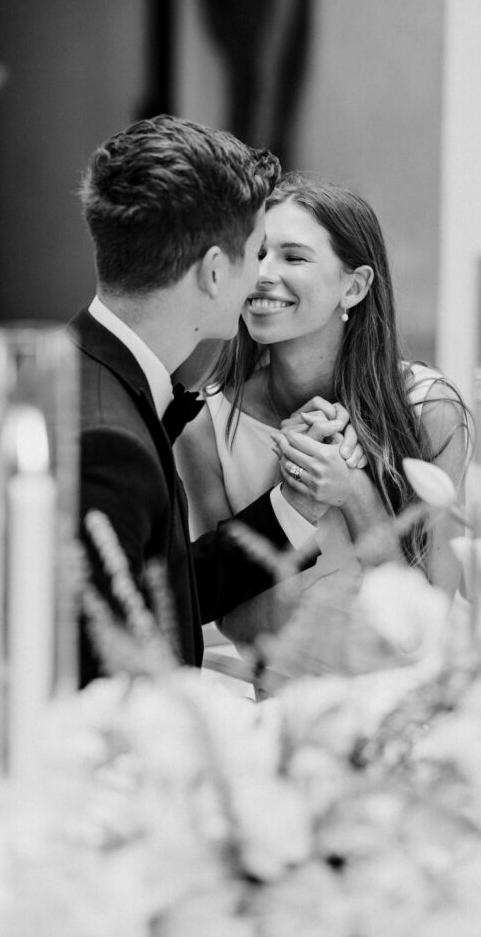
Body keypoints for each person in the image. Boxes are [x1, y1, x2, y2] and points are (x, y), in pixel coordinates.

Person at [0, 117, 348, 722]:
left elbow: (157, 591)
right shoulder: (106, 437)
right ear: (215, 271)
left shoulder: (68, 366)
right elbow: (111, 687)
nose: (260, 277)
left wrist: (292, 507)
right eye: (256, 253)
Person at [175, 172, 472, 649]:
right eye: (257, 254)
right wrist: (295, 500)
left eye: (293, 256)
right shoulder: (205, 430)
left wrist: (353, 492)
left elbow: (428, 623)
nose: (262, 273)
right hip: (277, 700)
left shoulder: (431, 411)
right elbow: (242, 627)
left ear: (353, 287)